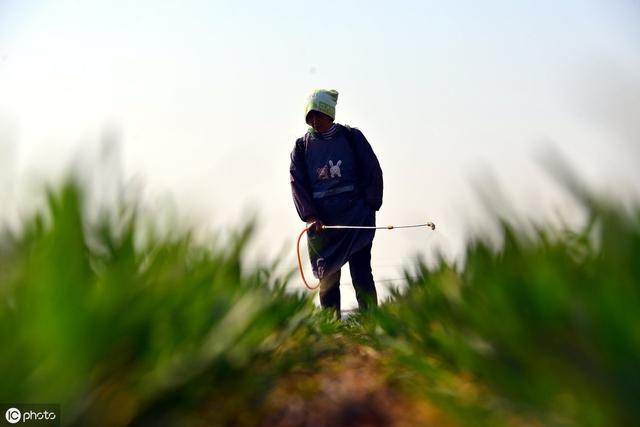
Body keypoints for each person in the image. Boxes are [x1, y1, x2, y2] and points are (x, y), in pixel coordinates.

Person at [289, 89, 383, 318]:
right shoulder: (302, 148)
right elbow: (297, 183)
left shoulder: (352, 138)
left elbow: (372, 171)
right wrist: (310, 217)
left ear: (329, 113)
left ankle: (372, 324)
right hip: (323, 226)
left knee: (361, 273)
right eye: (310, 117)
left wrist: (371, 206)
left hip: (356, 219)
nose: (314, 121)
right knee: (328, 279)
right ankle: (332, 329)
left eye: (318, 115)